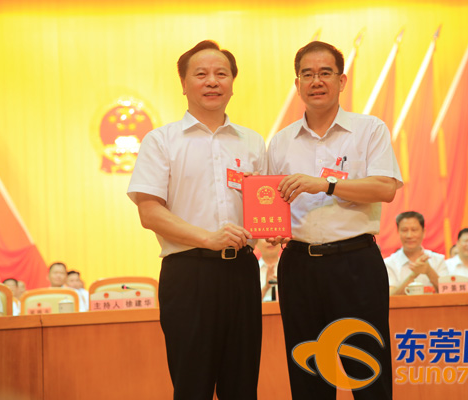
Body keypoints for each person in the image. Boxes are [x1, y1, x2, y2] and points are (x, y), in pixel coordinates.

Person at [127, 40, 266, 399]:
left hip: (242, 273)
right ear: (184, 83)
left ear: (232, 83)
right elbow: (149, 212)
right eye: (201, 74)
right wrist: (208, 239)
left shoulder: (252, 143)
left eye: (221, 74)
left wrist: (275, 228)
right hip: (188, 274)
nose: (212, 81)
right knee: (192, 386)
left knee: (242, 386)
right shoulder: (161, 141)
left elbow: (264, 207)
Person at [267, 41, 402, 399]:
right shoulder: (280, 142)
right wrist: (269, 229)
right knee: (308, 376)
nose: (316, 81)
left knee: (368, 373)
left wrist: (326, 185)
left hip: (355, 263)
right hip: (298, 265)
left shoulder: (369, 130)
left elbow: (385, 188)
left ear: (342, 80)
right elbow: (270, 200)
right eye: (307, 74)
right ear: (297, 84)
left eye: (325, 73)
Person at [384, 211, 447, 295]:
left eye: (414, 230)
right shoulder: (388, 263)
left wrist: (429, 271)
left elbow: (449, 293)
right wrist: (413, 275)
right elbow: (390, 297)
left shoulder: (438, 260)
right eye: (404, 230)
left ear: (423, 232)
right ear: (398, 232)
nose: (409, 235)